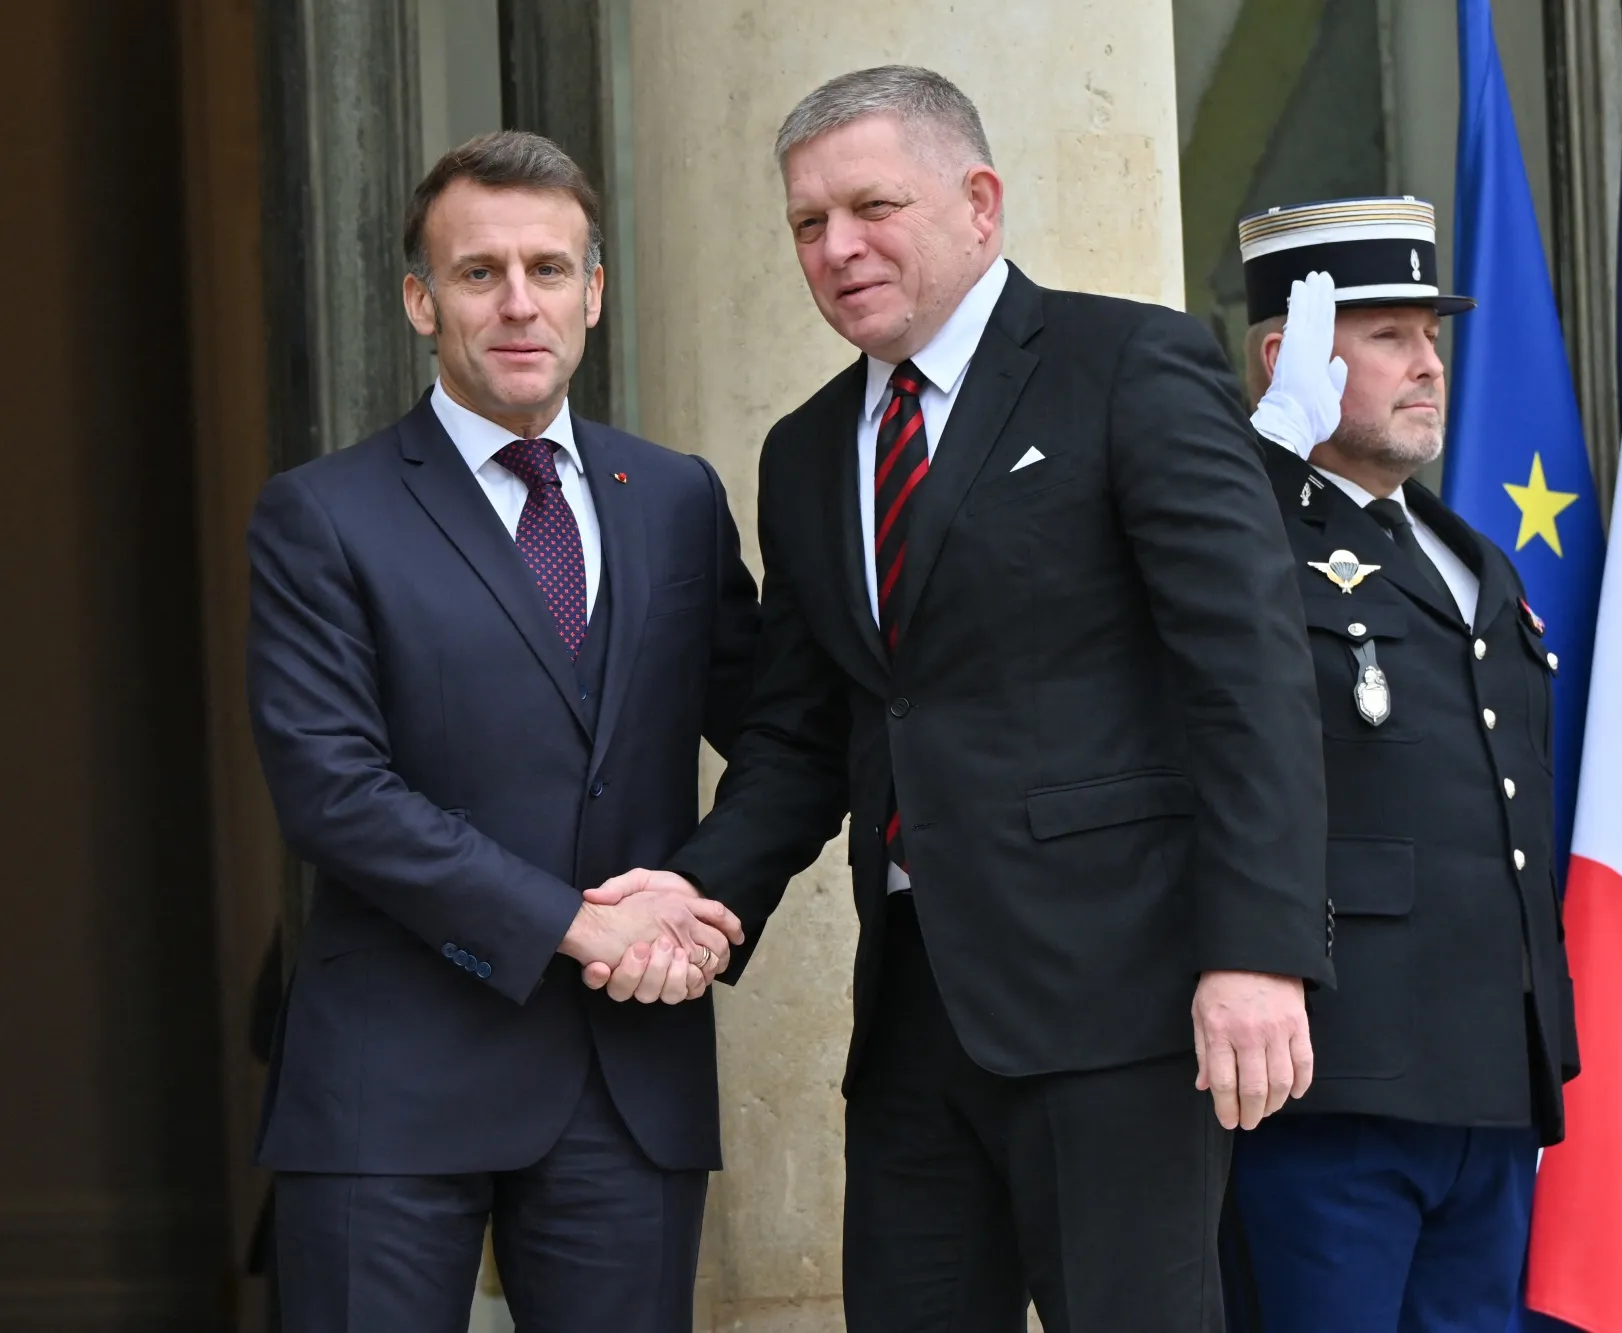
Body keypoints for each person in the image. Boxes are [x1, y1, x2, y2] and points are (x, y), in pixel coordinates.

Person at [588, 65, 1330, 1332]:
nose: (838, 247)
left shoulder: (1128, 364)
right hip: (914, 1020)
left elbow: (1249, 671)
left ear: (979, 203)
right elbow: (802, 732)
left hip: (1119, 1001)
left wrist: (1257, 949)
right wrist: (704, 891)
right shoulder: (808, 447)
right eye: (807, 225)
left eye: (873, 206)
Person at [245, 130, 758, 1332]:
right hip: (393, 1083)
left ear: (594, 290)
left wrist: (705, 902)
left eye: (547, 267)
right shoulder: (322, 513)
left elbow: (780, 726)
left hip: (629, 1080)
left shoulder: (675, 496)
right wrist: (579, 925)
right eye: (479, 273)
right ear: (423, 302)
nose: (518, 302)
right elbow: (333, 790)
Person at [1218, 197, 1581, 1332]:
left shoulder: (1469, 555)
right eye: (1386, 336)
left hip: (1487, 1072)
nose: (1426, 365)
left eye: (1430, 336)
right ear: (1286, 357)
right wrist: (1259, 471)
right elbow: (1190, 637)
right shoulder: (1246, 528)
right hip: (1336, 1076)